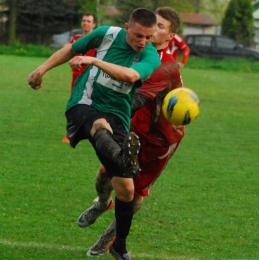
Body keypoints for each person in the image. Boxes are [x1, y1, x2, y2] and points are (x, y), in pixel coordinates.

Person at [28, 8, 160, 260]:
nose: (143, 42)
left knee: (126, 191)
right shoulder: (106, 34)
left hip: (118, 116)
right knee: (99, 126)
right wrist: (41, 69)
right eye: (139, 35)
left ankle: (119, 245)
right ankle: (121, 158)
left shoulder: (151, 55)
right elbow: (71, 49)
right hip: (85, 103)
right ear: (126, 27)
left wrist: (94, 61)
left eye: (149, 37)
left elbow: (131, 75)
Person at [83, 6, 185, 258]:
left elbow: (136, 100)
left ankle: (108, 239)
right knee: (106, 172)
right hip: (133, 129)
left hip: (159, 141)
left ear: (169, 36)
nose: (153, 29)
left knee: (135, 194)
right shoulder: (135, 51)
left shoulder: (166, 67)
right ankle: (103, 203)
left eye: (160, 26)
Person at [62, 12, 96, 143]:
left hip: (91, 79)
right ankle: (71, 133)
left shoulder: (96, 40)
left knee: (93, 105)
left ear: (93, 24)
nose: (86, 23)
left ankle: (92, 131)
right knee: (74, 104)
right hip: (76, 77)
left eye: (89, 21)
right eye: (84, 20)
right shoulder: (76, 38)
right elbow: (66, 50)